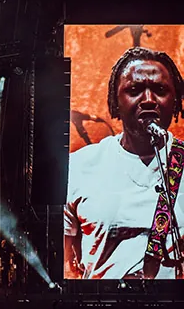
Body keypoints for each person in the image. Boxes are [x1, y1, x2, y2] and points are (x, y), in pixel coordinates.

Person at [65, 47, 184, 279]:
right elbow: (65, 263)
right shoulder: (79, 166)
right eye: (134, 90)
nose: (149, 100)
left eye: (160, 90)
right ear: (115, 101)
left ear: (176, 100)